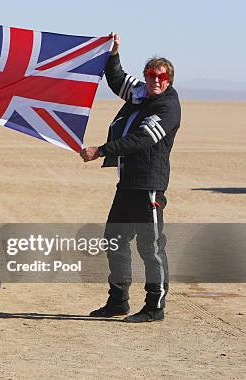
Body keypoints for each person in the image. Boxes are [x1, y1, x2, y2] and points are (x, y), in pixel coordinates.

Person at [79, 33, 181, 322]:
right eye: (152, 75)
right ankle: (118, 301)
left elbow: (140, 140)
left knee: (150, 247)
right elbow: (116, 79)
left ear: (169, 80)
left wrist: (100, 150)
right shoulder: (140, 94)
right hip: (127, 184)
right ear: (146, 76)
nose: (157, 81)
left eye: (163, 77)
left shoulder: (167, 107)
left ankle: (154, 307)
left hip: (149, 187)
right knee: (115, 239)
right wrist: (112, 54)